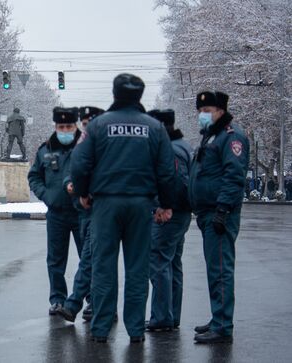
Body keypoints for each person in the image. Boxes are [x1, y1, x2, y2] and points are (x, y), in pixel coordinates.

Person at [70, 73, 175, 343]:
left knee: (104, 267)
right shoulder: (155, 127)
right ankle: (136, 330)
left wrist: (82, 193)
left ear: (114, 93)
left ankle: (101, 329)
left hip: (105, 204)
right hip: (141, 205)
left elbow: (80, 163)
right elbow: (165, 171)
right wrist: (165, 204)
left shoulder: (97, 126)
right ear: (140, 95)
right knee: (137, 268)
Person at [189, 91, 249, 344]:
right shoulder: (212, 136)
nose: (203, 116)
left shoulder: (231, 137)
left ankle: (223, 326)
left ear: (220, 111)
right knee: (215, 269)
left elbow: (234, 176)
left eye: (208, 111)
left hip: (219, 212)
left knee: (221, 270)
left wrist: (223, 210)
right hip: (207, 211)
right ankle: (218, 318)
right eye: (201, 111)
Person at [28, 107, 83, 316]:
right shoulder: (45, 150)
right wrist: (46, 195)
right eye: (61, 127)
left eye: (69, 126)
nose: (65, 130)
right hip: (57, 213)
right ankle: (58, 299)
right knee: (55, 260)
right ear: (56, 127)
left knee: (87, 258)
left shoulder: (85, 147)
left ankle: (91, 299)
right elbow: (34, 177)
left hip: (82, 213)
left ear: (75, 126)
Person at [56, 106, 106, 323]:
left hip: (100, 210)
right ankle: (92, 305)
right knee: (92, 260)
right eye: (84, 124)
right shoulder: (81, 145)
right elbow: (71, 171)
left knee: (92, 260)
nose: (86, 128)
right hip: (84, 210)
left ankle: (78, 304)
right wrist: (70, 184)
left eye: (90, 124)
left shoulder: (105, 145)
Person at [145, 109, 193, 332]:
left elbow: (176, 182)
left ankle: (162, 317)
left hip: (169, 215)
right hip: (179, 214)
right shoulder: (182, 145)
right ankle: (171, 315)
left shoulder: (170, 150)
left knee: (159, 263)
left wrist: (164, 206)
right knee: (173, 263)